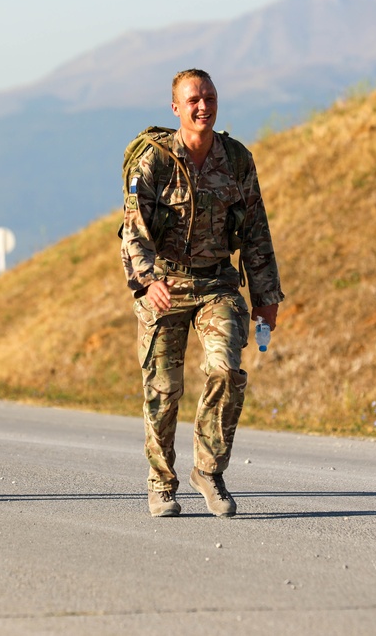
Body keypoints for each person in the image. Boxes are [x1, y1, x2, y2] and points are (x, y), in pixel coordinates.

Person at [121, 69, 284, 517]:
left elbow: (255, 230)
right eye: (193, 99)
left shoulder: (236, 159)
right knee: (163, 389)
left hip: (217, 284)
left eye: (209, 98)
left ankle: (209, 471)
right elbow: (133, 230)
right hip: (165, 285)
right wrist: (148, 280)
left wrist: (266, 293)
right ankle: (161, 482)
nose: (203, 107)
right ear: (176, 108)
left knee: (227, 369)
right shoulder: (153, 161)